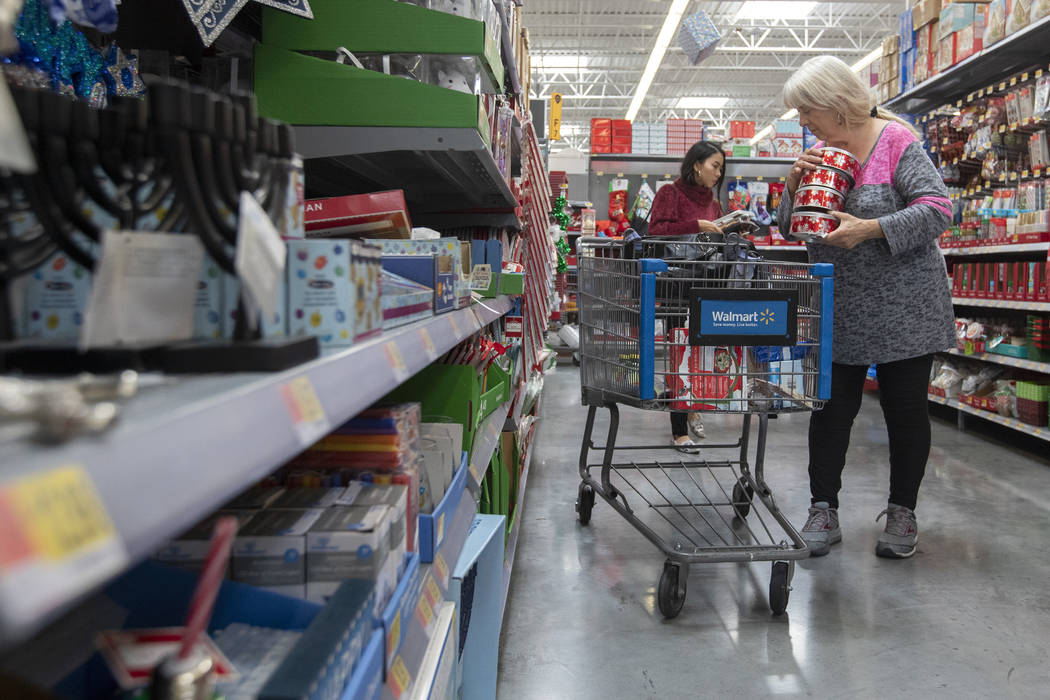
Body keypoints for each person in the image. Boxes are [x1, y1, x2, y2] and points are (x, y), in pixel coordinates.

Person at [776, 56, 954, 559]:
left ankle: (902, 512)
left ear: (834, 104)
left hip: (906, 305)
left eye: (807, 111)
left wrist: (871, 228)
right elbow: (794, 226)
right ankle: (822, 508)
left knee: (904, 411)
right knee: (830, 411)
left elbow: (939, 209)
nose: (804, 123)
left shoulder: (895, 142)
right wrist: (793, 187)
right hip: (841, 303)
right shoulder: (820, 150)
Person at [648, 140, 726, 453]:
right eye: (714, 166)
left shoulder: (714, 203)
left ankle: (692, 405)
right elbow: (655, 231)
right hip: (676, 286)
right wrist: (698, 225)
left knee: (702, 355)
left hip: (706, 285)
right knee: (680, 355)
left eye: (721, 168)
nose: (718, 173)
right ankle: (679, 430)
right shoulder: (671, 193)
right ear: (696, 164)